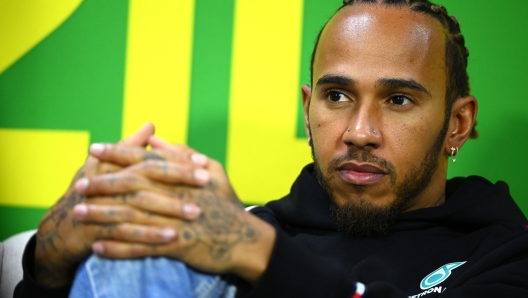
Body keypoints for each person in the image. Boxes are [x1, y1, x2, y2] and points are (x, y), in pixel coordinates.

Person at [14, 0, 528, 297]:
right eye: (337, 95)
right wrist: (48, 262)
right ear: (308, 110)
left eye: (397, 99)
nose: (359, 131)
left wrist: (259, 255)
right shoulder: (238, 233)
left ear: (457, 123)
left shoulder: (505, 256)